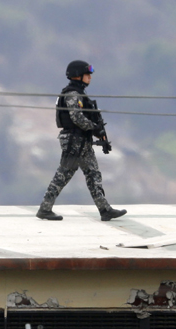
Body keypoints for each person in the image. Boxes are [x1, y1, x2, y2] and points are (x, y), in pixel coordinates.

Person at [36, 60, 127, 222]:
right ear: (78, 75)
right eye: (87, 74)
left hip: (82, 141)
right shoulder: (72, 94)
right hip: (74, 141)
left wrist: (98, 132)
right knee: (64, 174)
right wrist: (94, 128)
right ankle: (45, 208)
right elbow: (76, 117)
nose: (90, 78)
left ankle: (104, 209)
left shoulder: (79, 94)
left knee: (93, 174)